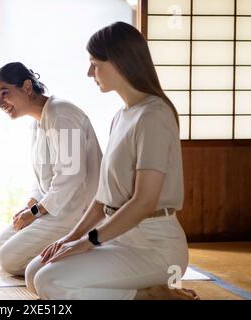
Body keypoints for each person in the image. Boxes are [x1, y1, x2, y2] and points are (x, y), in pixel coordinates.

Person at [25, 22, 199, 300]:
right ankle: (143, 289)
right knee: (35, 272)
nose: (89, 72)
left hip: (155, 247)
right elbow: (102, 199)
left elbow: (145, 201)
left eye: (95, 63)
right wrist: (71, 238)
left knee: (50, 283)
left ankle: (151, 296)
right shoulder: (121, 116)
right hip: (118, 238)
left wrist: (90, 242)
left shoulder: (155, 115)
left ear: (119, 62)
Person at [0, 62, 102, 276]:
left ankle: (88, 259)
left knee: (8, 260)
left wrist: (35, 212)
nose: (1, 104)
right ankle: (58, 255)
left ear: (27, 87)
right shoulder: (37, 122)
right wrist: (30, 206)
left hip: (75, 211)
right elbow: (43, 179)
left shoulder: (62, 113)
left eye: (4, 94)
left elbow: (72, 175)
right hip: (52, 208)